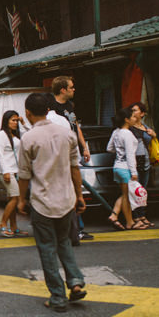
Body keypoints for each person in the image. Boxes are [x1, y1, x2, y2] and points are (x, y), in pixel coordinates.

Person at [16, 93, 87, 312]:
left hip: (42, 202)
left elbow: (24, 175)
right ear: (49, 110)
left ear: (27, 113)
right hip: (66, 199)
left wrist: (21, 200)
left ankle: (57, 296)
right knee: (64, 241)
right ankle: (75, 281)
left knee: (47, 248)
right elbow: (75, 168)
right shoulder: (67, 133)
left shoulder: (28, 138)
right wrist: (80, 195)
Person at [49, 80, 95, 243]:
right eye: (71, 87)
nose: (74, 89)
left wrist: (85, 147)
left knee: (77, 189)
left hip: (74, 150)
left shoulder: (69, 106)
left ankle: (78, 228)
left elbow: (77, 126)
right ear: (62, 90)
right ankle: (74, 229)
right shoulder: (52, 107)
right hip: (62, 153)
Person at [107, 107, 147, 230]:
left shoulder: (116, 132)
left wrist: (119, 151)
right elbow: (130, 155)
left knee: (125, 195)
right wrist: (134, 172)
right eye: (133, 117)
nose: (135, 119)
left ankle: (116, 215)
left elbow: (109, 148)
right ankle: (129, 222)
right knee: (126, 196)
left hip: (117, 167)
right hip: (126, 168)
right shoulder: (128, 134)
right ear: (126, 120)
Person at [0, 110, 25, 238]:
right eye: (13, 120)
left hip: (16, 171)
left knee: (12, 198)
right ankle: (2, 224)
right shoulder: (2, 135)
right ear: (6, 121)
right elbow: (0, 154)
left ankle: (14, 227)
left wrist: (23, 124)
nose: (15, 123)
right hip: (6, 171)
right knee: (15, 198)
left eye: (16, 120)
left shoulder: (16, 134)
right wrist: (6, 171)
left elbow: (28, 135)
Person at [127, 102, 155, 227]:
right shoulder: (129, 127)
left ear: (142, 113)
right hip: (135, 161)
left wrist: (154, 135)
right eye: (132, 110)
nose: (133, 112)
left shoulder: (145, 126)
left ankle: (143, 215)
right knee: (135, 191)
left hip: (146, 161)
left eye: (136, 110)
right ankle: (136, 217)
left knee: (143, 191)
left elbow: (150, 141)